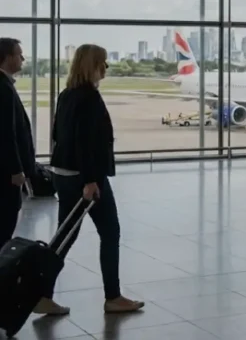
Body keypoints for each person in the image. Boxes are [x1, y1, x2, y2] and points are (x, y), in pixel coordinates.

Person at [38, 44, 144, 316]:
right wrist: (90, 180)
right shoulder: (89, 97)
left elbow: (59, 135)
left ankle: (42, 294)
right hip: (85, 178)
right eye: (102, 63)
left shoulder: (67, 94)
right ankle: (113, 296)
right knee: (110, 232)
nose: (106, 67)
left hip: (63, 173)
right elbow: (86, 143)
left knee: (65, 236)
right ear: (92, 65)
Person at [0, 38, 35, 249]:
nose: (22, 58)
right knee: (5, 223)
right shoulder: (3, 88)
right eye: (19, 54)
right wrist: (16, 169)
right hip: (6, 173)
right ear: (7, 57)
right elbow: (6, 133)